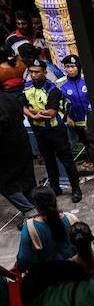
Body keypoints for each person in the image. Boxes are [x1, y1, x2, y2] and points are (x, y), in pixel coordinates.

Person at [22, 59, 82, 202]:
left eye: (37, 72)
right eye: (31, 72)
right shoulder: (27, 87)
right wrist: (32, 114)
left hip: (56, 130)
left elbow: (51, 113)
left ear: (44, 72)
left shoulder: (52, 89)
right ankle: (55, 188)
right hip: (39, 130)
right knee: (48, 161)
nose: (34, 75)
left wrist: (33, 112)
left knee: (67, 160)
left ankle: (76, 189)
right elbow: (23, 107)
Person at [16, 186, 78, 273]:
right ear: (55, 201)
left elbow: (23, 260)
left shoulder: (30, 227)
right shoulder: (71, 218)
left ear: (36, 206)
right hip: (74, 272)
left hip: (49, 279)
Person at [0, 87, 36, 217]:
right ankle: (38, 208)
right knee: (27, 179)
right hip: (22, 145)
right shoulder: (10, 97)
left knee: (6, 184)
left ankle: (30, 211)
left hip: (7, 152)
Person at [58, 54, 91, 149]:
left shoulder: (87, 79)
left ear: (78, 67)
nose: (70, 70)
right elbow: (59, 104)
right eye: (67, 67)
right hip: (74, 122)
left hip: (91, 120)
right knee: (85, 144)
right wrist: (67, 117)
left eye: (72, 66)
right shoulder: (60, 83)